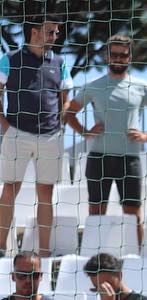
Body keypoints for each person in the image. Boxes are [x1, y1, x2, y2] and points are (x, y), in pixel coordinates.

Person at [62, 35, 147, 246]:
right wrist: (84, 132)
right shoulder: (94, 86)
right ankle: (94, 255)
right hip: (99, 157)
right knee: (97, 211)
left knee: (133, 212)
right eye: (114, 54)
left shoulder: (142, 86)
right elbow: (69, 113)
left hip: (130, 158)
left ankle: (137, 258)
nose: (118, 58)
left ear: (129, 57)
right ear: (108, 56)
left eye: (122, 55)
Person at [0, 18, 69, 257]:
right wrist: (5, 125)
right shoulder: (10, 59)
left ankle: (45, 253)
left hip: (50, 135)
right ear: (35, 32)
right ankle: (0, 248)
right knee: (10, 188)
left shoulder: (60, 62)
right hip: (17, 132)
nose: (55, 36)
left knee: (46, 194)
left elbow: (66, 95)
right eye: (50, 32)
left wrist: (62, 119)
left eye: (57, 32)